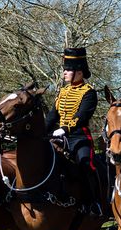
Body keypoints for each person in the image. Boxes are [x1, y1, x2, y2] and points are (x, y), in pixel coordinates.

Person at [44, 47, 103, 216]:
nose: (65, 73)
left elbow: (82, 116)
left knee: (86, 164)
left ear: (79, 72)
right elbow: (52, 116)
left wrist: (64, 128)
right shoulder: (63, 92)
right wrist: (42, 132)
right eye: (65, 69)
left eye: (68, 69)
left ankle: (94, 203)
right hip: (58, 138)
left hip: (79, 138)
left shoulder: (89, 92)